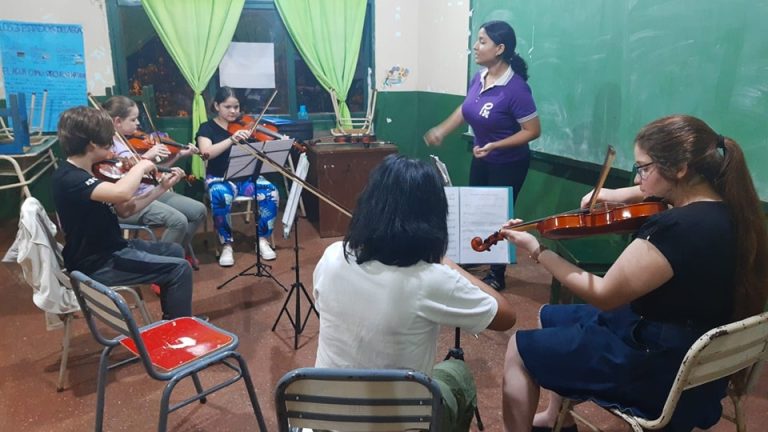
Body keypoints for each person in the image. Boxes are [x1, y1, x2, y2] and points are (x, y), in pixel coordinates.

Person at [499, 115, 768, 432]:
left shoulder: (674, 229)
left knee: (519, 347)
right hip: (695, 349)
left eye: (643, 168)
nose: (638, 178)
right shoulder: (732, 210)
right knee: (552, 317)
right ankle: (555, 416)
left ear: (679, 169)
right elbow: (650, 193)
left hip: (655, 364)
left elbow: (604, 295)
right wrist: (617, 195)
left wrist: (537, 250)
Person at [312, 154, 517, 432]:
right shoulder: (431, 278)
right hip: (399, 423)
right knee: (458, 373)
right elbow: (505, 316)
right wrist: (445, 261)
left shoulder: (332, 256)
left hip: (327, 417)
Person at [424, 20, 541, 292]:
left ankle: (497, 274)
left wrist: (496, 145)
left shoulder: (516, 89)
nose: (475, 47)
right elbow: (466, 109)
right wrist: (442, 130)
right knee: (477, 213)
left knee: (498, 217)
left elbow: (533, 130)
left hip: (509, 163)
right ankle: (476, 258)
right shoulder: (479, 77)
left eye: (482, 41)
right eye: (477, 40)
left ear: (500, 48)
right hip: (483, 158)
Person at [52, 106, 195, 320]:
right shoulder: (69, 178)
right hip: (97, 262)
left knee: (174, 251)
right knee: (180, 269)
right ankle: (179, 332)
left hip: (113, 247)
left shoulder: (93, 170)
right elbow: (121, 192)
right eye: (109, 142)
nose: (113, 149)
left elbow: (126, 209)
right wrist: (141, 165)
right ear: (92, 144)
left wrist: (161, 188)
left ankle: (172, 320)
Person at [103, 96, 207, 271]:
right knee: (178, 221)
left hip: (152, 190)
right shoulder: (108, 146)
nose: (138, 124)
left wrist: (179, 155)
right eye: (133, 119)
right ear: (117, 121)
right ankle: (160, 265)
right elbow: (119, 178)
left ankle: (177, 251)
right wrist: (146, 157)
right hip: (132, 201)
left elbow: (153, 171)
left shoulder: (128, 140)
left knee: (199, 211)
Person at [196, 87, 279, 267]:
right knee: (219, 195)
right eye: (228, 107)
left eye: (236, 107)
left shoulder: (246, 127)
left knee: (271, 191)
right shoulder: (207, 128)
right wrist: (231, 140)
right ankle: (226, 243)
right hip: (219, 178)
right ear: (217, 105)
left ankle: (262, 239)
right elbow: (206, 153)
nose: (233, 111)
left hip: (246, 178)